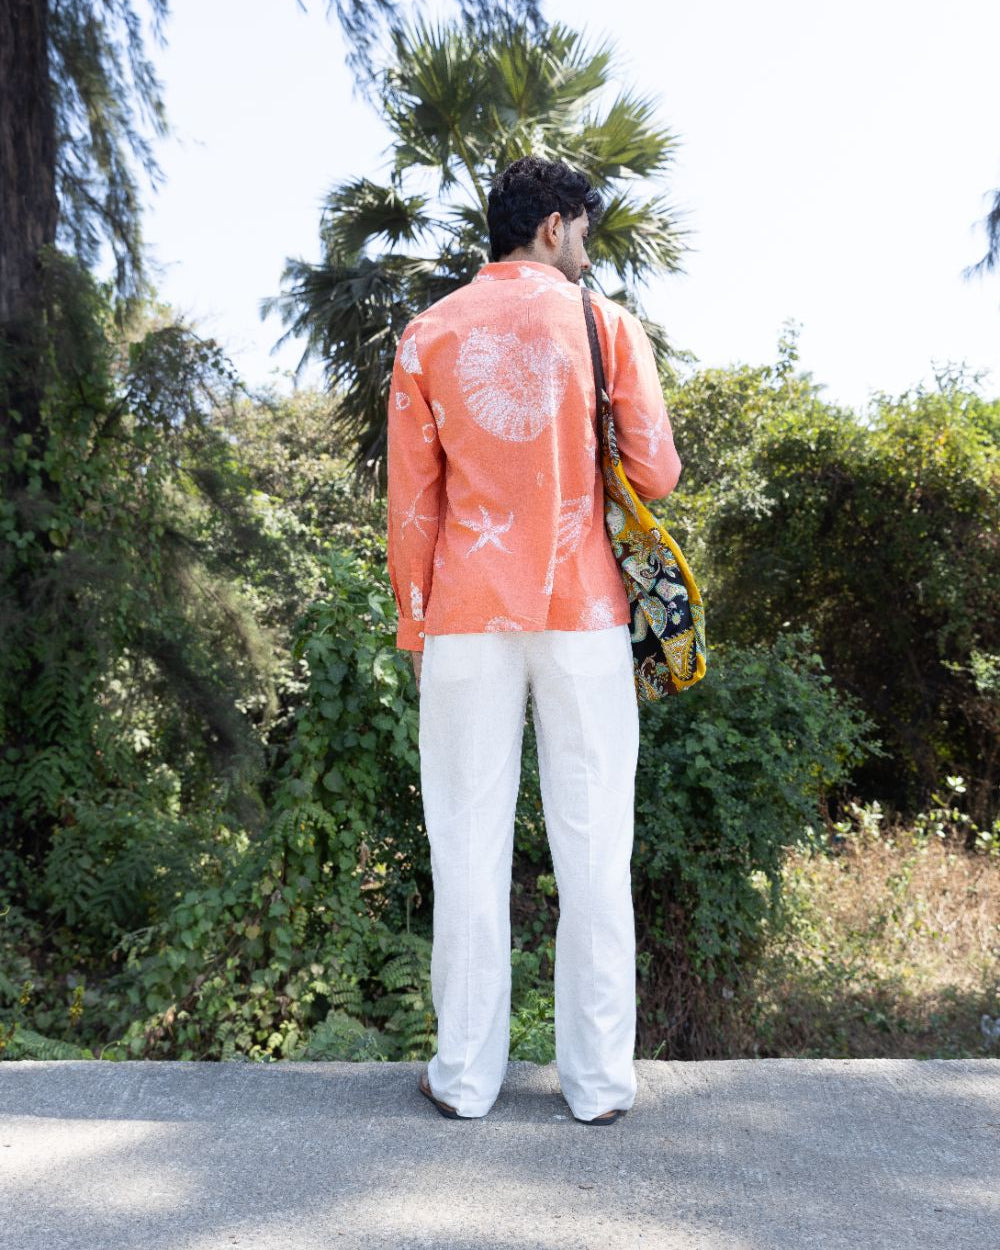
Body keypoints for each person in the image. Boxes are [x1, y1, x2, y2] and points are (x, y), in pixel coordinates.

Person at [386, 154, 682, 1125]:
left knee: (466, 841)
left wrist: (415, 620)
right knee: (594, 845)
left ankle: (466, 1078)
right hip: (584, 612)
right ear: (554, 225)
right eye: (584, 233)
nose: (586, 251)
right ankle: (596, 1084)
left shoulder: (427, 334)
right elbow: (658, 473)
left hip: (466, 615)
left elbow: (413, 506)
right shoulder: (608, 325)